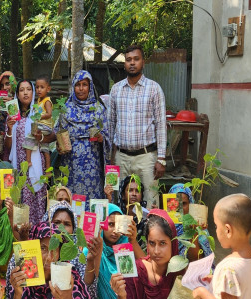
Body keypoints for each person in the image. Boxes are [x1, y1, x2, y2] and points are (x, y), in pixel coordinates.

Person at [107, 44, 167, 208]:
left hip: (146, 157)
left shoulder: (154, 89)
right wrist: (109, 157)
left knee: (150, 201)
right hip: (121, 157)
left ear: (143, 62)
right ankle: (121, 234)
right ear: (124, 63)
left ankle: (148, 233)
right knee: (118, 201)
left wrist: (161, 159)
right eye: (128, 60)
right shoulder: (116, 90)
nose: (132, 63)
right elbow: (111, 124)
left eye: (136, 59)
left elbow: (161, 125)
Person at [5, 80, 55, 225]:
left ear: (33, 93)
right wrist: (9, 129)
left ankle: (38, 240)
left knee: (36, 201)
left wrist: (42, 137)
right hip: (19, 166)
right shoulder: (13, 114)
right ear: (17, 94)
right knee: (19, 203)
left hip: (35, 165)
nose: (25, 92)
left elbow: (53, 135)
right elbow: (8, 146)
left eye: (28, 89)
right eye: (22, 90)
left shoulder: (38, 111)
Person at [57, 70, 110, 200]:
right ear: (73, 87)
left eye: (84, 84)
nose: (81, 89)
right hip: (71, 164)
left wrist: (101, 138)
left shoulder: (98, 110)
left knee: (92, 201)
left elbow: (108, 136)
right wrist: (59, 146)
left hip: (93, 166)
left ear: (90, 87)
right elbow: (57, 134)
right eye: (78, 85)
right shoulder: (66, 110)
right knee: (72, 198)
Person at [168, 183, 213, 260]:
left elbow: (198, 259)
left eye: (184, 203)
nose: (180, 208)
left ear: (190, 203)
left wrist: (194, 233)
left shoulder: (198, 227)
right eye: (175, 203)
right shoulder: (164, 225)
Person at [24, 74, 54, 170]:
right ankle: (48, 169)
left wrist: (39, 116)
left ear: (48, 89)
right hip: (44, 127)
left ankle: (28, 161)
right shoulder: (39, 101)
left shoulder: (47, 101)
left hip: (45, 126)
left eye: (42, 87)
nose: (39, 90)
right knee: (45, 148)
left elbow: (49, 114)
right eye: (37, 87)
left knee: (29, 136)